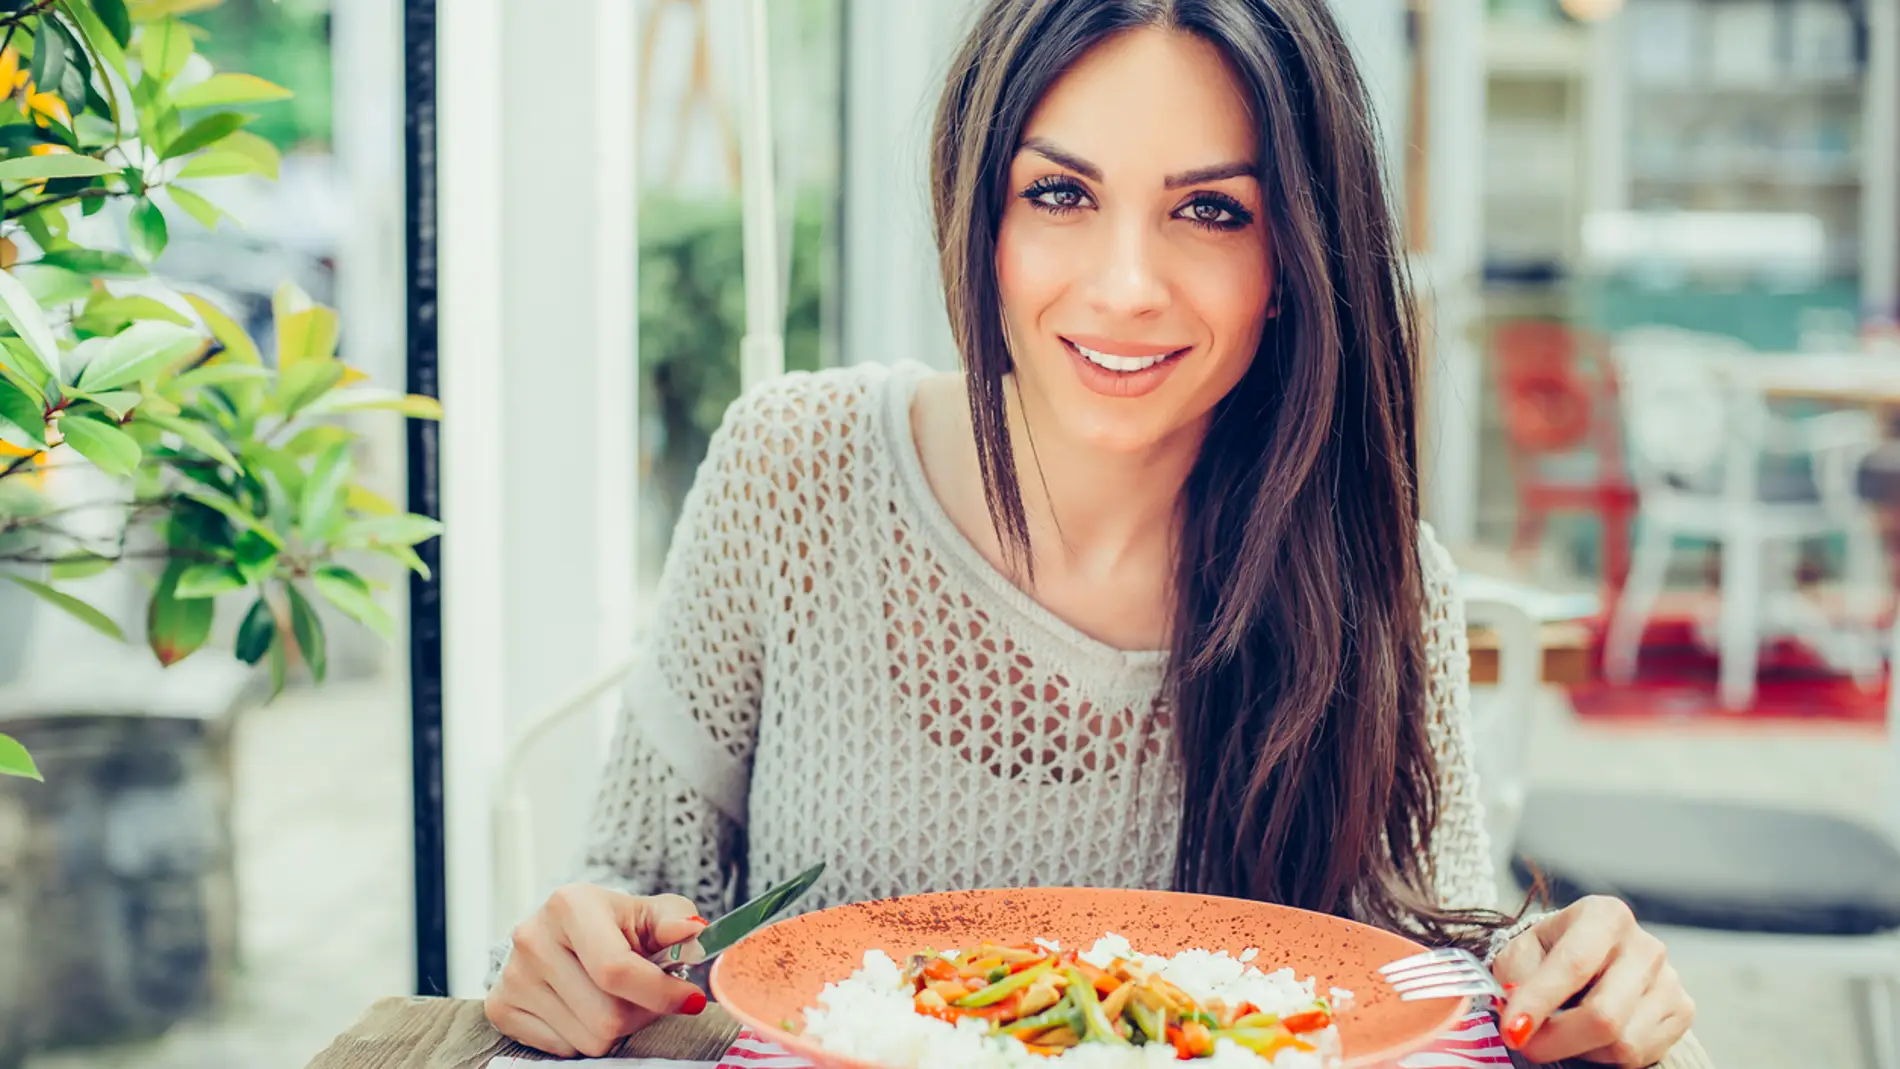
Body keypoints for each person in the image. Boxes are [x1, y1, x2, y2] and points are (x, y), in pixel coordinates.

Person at [485, 2, 1703, 1066]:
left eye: (1213, 211)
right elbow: (636, 914)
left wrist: (1562, 983)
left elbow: (1428, 991)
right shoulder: (791, 474)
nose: (1126, 283)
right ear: (980, 214)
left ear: (1293, 261)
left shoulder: (1378, 584)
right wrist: (578, 953)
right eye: (1059, 193)